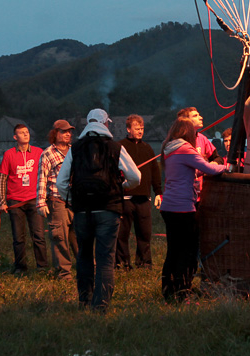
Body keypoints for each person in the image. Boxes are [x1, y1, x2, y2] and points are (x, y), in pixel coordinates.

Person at [57, 110, 141, 312]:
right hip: (109, 209)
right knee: (105, 258)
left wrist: (71, 198)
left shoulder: (75, 148)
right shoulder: (114, 147)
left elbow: (61, 181)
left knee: (84, 255)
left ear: (88, 123)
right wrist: (123, 185)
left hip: (82, 211)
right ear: (106, 124)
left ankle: (84, 301)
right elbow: (136, 176)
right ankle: (101, 305)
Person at [159, 118, 227, 300]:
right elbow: (208, 168)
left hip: (168, 206)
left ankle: (168, 290)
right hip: (183, 207)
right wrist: (227, 167)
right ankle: (183, 292)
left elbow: (188, 171)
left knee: (173, 250)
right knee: (187, 251)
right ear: (187, 133)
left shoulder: (169, 149)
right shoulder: (185, 148)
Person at [0, 123, 48, 274]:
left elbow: (45, 173)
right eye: (21, 133)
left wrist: (44, 198)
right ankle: (20, 267)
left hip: (34, 200)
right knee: (18, 238)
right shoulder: (9, 154)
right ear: (15, 137)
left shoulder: (39, 152)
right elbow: (2, 179)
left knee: (38, 235)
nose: (26, 134)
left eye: (27, 132)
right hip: (15, 201)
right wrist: (2, 202)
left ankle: (43, 267)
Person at [116, 114, 162, 270]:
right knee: (122, 233)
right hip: (126, 197)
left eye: (142, 128)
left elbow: (155, 172)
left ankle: (144, 263)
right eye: (137, 128)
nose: (140, 131)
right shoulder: (120, 147)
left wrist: (158, 192)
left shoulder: (147, 148)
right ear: (128, 129)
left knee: (145, 233)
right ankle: (122, 263)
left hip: (144, 197)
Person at [36, 119, 79, 280]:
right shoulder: (47, 153)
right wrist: (40, 202)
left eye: (70, 131)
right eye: (64, 131)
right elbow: (42, 178)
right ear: (55, 134)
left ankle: (87, 267)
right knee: (59, 238)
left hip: (76, 202)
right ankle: (64, 273)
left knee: (80, 236)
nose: (68, 134)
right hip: (57, 201)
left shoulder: (75, 150)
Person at [176, 107, 222, 199]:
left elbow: (218, 158)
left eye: (199, 115)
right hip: (182, 193)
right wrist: (207, 167)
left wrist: (214, 163)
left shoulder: (202, 139)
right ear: (186, 121)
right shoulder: (178, 142)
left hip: (200, 194)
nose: (201, 117)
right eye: (195, 116)